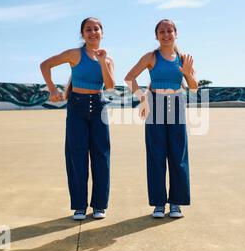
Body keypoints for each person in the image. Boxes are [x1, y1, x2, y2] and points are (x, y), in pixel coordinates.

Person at [40, 17, 115, 220]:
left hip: (99, 106)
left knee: (101, 156)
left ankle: (99, 205)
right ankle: (79, 206)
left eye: (96, 29)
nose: (92, 32)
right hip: (76, 106)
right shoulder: (74, 54)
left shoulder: (107, 59)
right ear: (82, 34)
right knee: (77, 156)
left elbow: (109, 86)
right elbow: (45, 65)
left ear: (102, 32)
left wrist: (102, 62)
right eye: (88, 29)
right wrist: (52, 88)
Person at [125, 19, 198, 218]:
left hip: (176, 104)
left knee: (178, 155)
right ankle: (158, 204)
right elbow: (129, 77)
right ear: (156, 36)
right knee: (156, 155)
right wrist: (143, 100)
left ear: (176, 33)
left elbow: (193, 87)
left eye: (169, 31)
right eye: (162, 31)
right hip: (154, 103)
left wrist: (187, 73)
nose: (166, 34)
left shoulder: (183, 58)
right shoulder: (151, 57)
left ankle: (176, 203)